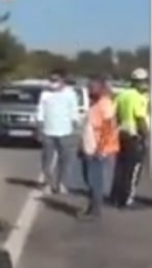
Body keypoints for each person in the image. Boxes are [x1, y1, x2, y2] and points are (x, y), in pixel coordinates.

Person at [79, 76, 119, 220]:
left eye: (93, 87)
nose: (90, 90)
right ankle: (91, 207)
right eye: (89, 87)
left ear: (101, 88)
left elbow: (108, 129)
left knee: (95, 181)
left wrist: (100, 149)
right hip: (88, 147)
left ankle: (95, 211)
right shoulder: (94, 104)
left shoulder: (105, 104)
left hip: (97, 149)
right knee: (89, 180)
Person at [110, 68, 150, 208]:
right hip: (134, 137)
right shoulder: (138, 97)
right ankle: (127, 198)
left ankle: (115, 196)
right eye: (144, 82)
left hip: (122, 135)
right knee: (133, 170)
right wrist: (146, 137)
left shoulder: (122, 95)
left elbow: (114, 114)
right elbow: (140, 119)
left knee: (120, 168)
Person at [36, 70, 80, 194]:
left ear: (62, 81)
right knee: (47, 161)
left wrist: (75, 127)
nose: (52, 83)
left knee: (65, 160)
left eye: (55, 80)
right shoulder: (45, 94)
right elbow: (40, 112)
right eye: (51, 80)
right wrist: (39, 128)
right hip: (48, 132)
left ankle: (61, 183)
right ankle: (48, 183)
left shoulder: (70, 94)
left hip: (65, 132)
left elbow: (74, 111)